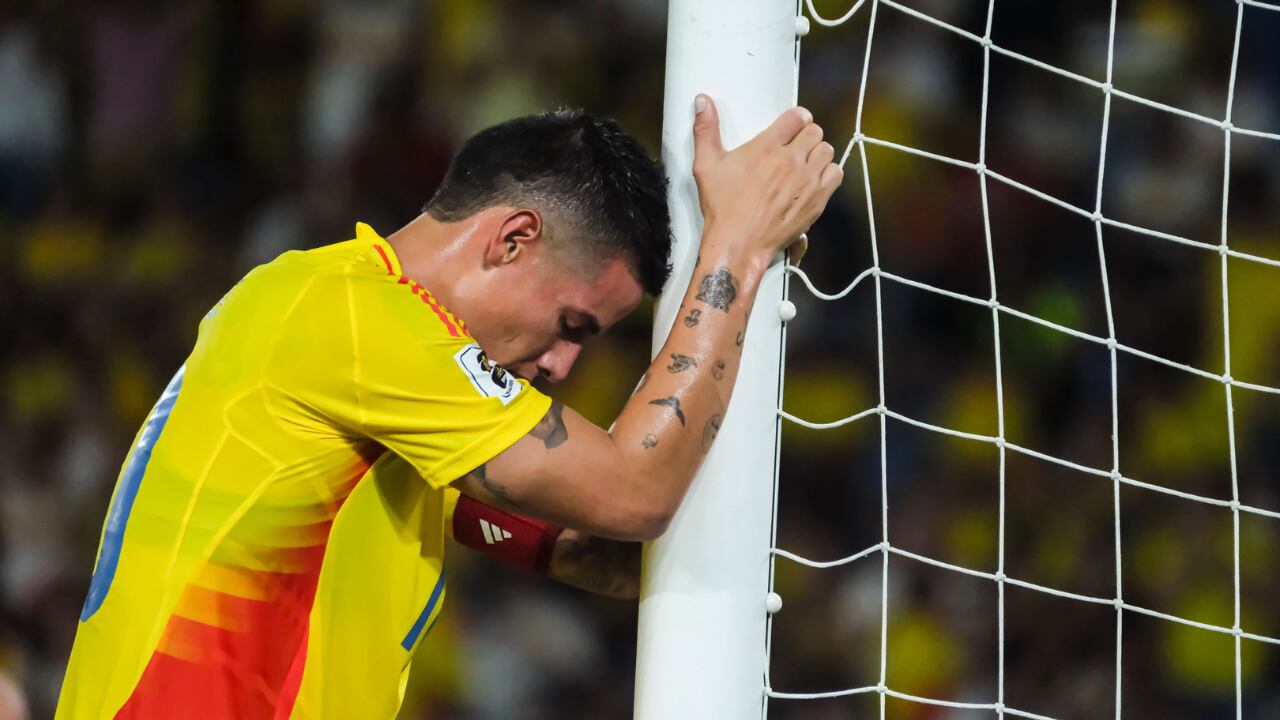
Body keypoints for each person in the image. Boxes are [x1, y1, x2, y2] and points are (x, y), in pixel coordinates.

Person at [56, 95, 842, 719]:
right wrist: (735, 247)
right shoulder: (359, 322)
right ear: (511, 240)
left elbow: (591, 545)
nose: (563, 366)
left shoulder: (361, 361)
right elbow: (632, 491)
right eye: (571, 326)